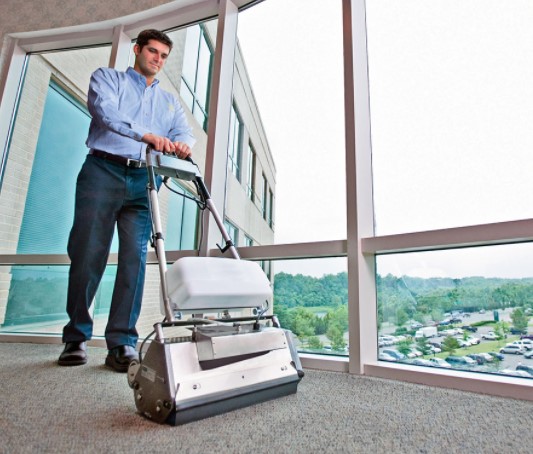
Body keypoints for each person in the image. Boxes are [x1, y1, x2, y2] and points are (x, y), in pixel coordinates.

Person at [58, 29, 195, 372]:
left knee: (134, 260)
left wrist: (180, 145)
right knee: (89, 253)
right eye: (152, 51)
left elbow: (183, 132)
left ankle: (122, 343)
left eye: (163, 56)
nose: (157, 60)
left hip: (144, 180)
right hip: (102, 171)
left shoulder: (169, 102)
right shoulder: (108, 79)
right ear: (137, 50)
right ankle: (76, 336)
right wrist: (145, 134)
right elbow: (105, 112)